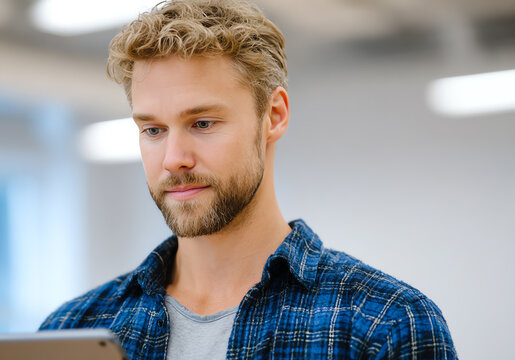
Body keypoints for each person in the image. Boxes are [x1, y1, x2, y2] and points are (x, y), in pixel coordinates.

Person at [39, 0, 457, 358]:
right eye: (153, 130)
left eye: (202, 123)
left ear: (273, 116)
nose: (173, 160)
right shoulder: (71, 331)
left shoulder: (386, 325)